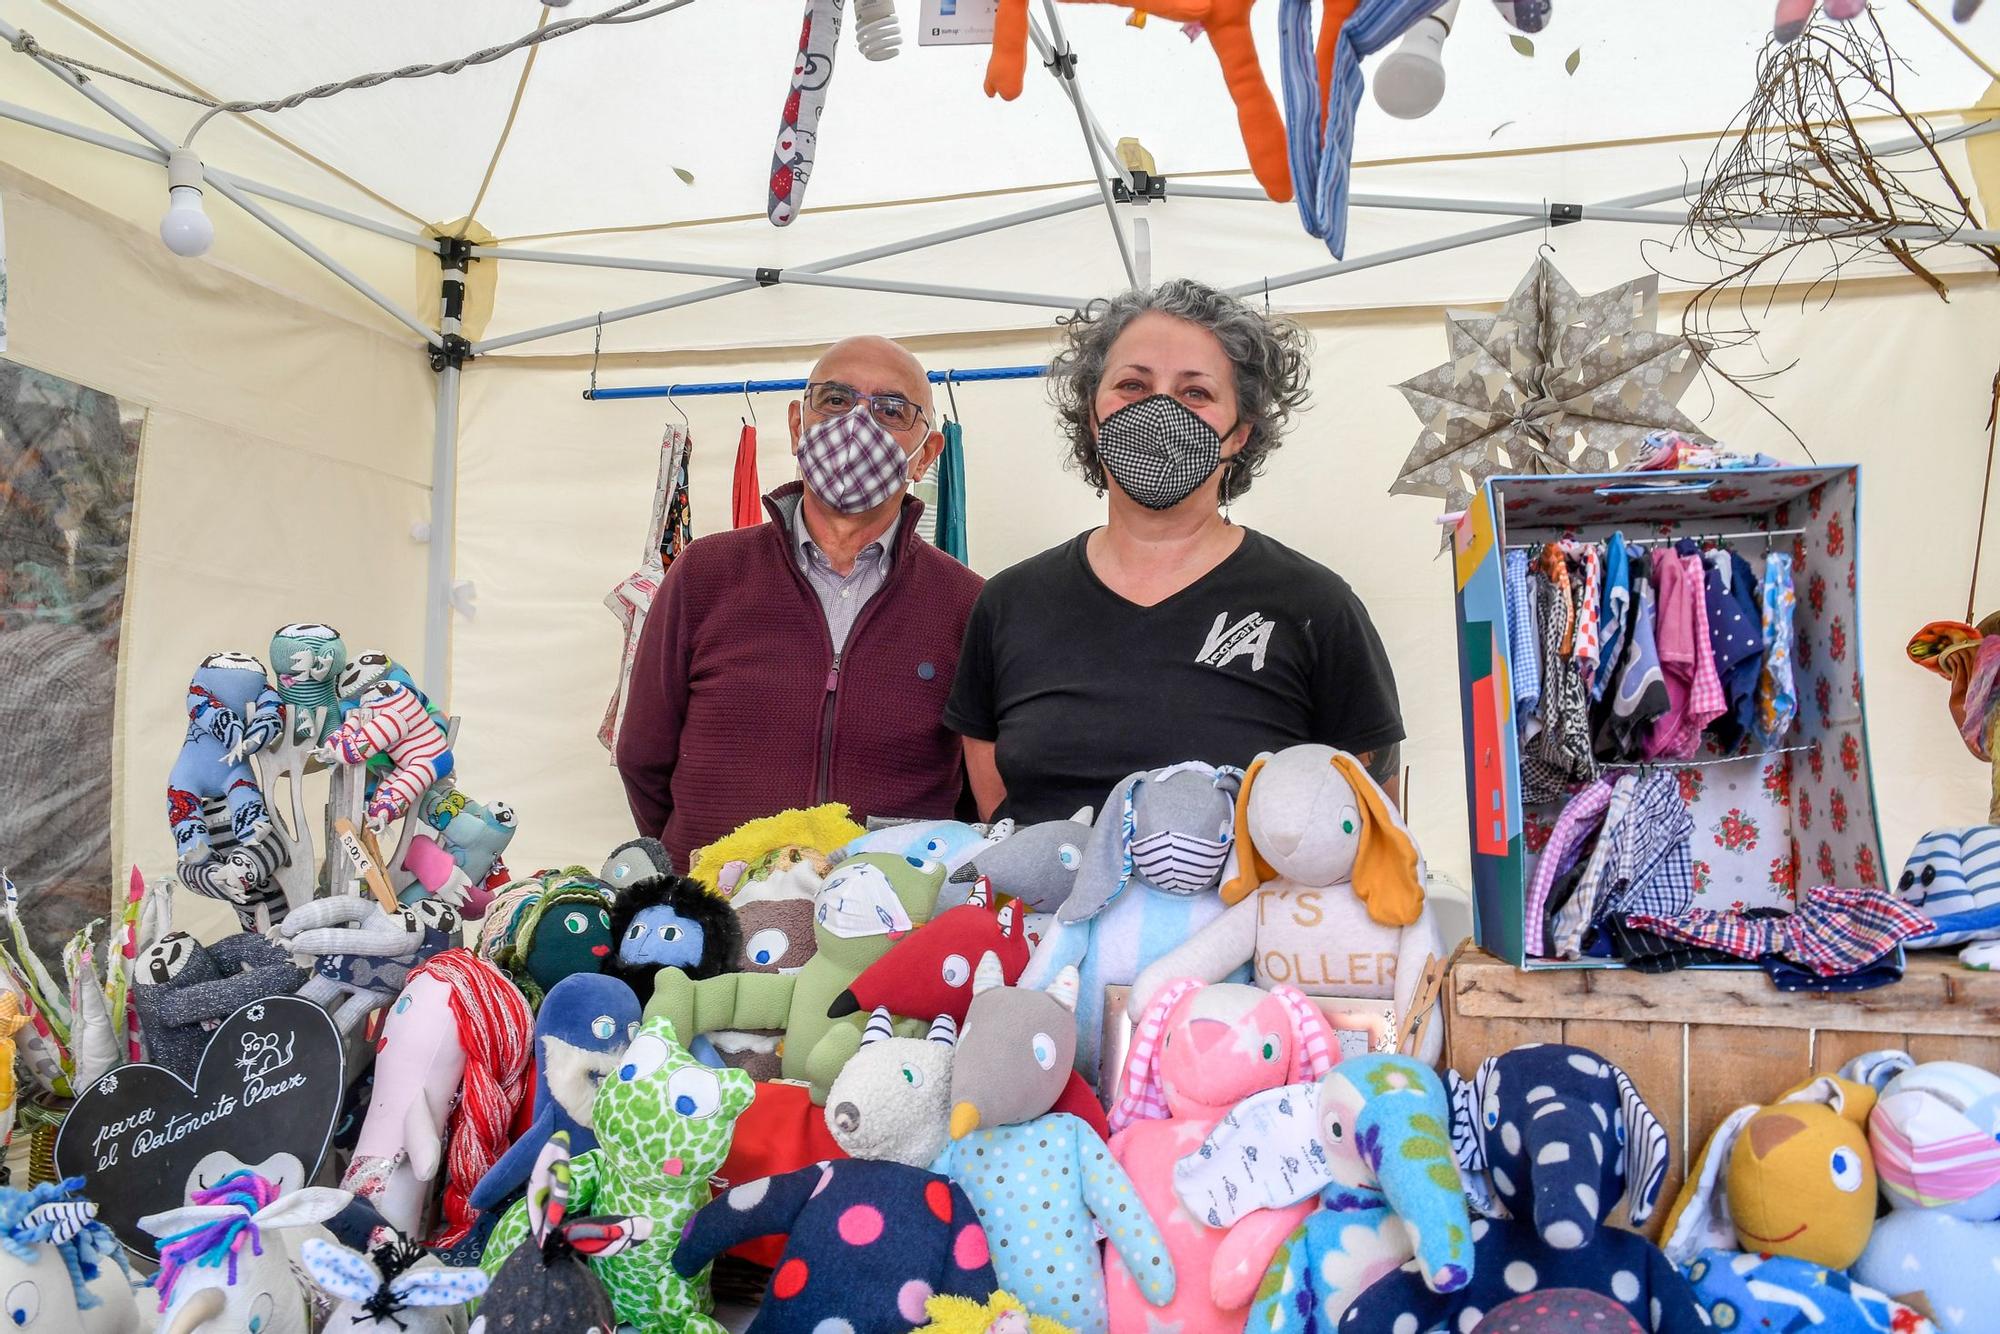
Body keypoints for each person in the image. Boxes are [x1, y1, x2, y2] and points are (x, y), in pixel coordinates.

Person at [945, 280, 1403, 824]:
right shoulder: (1010, 602)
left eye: (1195, 393)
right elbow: (994, 796)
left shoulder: (1314, 606)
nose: (1160, 410)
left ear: (1240, 432)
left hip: (1242, 910)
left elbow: (1372, 820)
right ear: (1092, 416)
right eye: (1133, 385)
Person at [618, 336, 983, 871]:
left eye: (891, 409)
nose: (857, 422)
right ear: (797, 425)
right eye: (835, 400)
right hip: (714, 916)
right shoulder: (704, 573)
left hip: (884, 924)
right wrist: (708, 859)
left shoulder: (967, 603)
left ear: (926, 453)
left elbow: (975, 794)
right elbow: (643, 758)